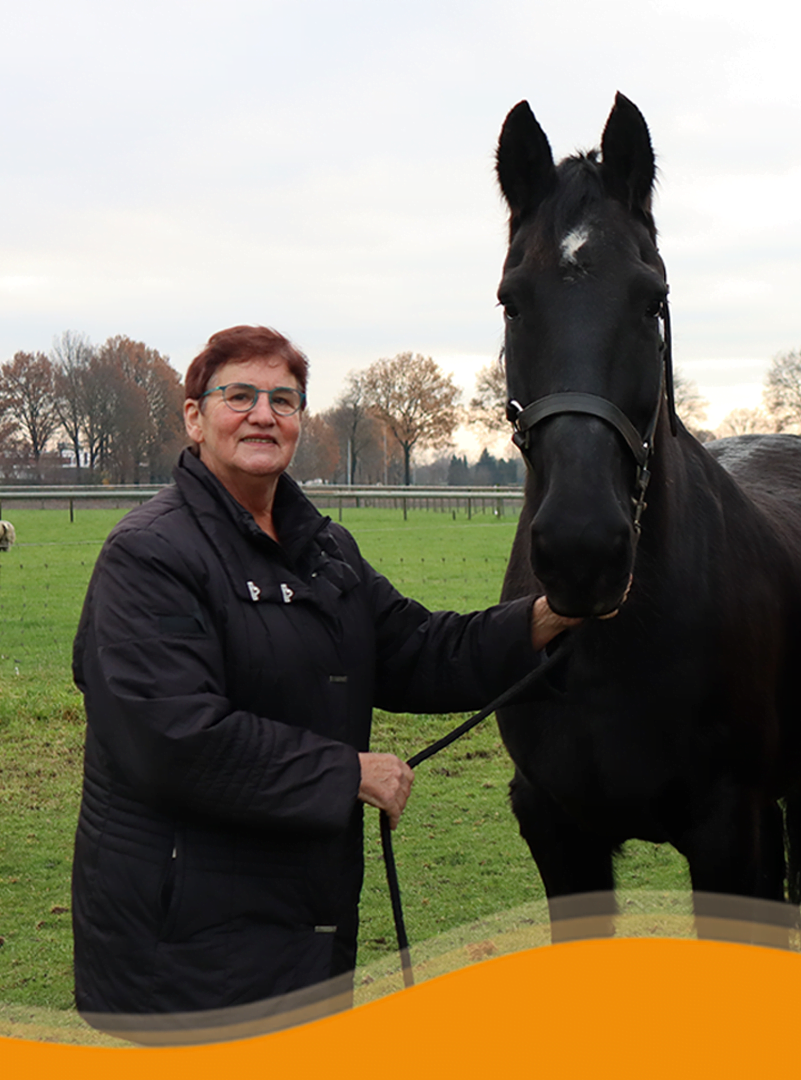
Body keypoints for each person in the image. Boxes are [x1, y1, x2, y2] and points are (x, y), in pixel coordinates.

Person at [70, 326, 577, 1036]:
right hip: (184, 947)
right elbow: (173, 738)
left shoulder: (324, 551)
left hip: (304, 925)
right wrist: (347, 775)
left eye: (284, 399)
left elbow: (416, 649)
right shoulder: (149, 556)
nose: (263, 415)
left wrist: (547, 618)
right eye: (238, 395)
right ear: (194, 417)